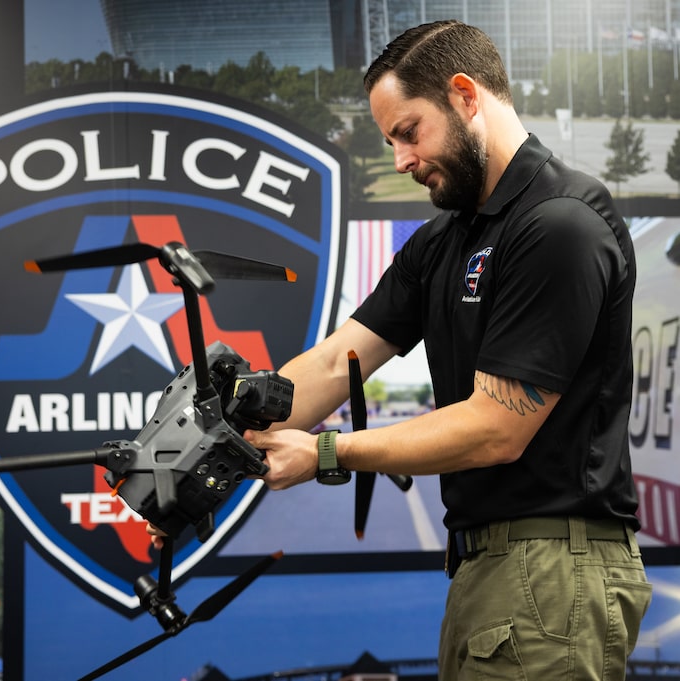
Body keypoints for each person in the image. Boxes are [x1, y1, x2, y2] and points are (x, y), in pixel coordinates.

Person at [241, 19, 652, 681]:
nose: (401, 159)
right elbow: (334, 362)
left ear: (465, 96)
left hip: (552, 572)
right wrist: (222, 426)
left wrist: (326, 449)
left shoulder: (559, 224)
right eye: (390, 141)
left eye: (408, 131)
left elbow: (495, 428)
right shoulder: (443, 242)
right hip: (486, 573)